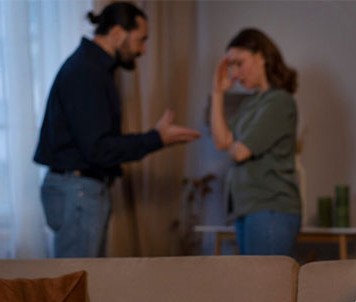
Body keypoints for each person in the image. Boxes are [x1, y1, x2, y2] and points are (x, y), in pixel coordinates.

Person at [34, 1, 201, 258]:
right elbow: (98, 149)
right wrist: (156, 139)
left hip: (78, 190)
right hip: (79, 191)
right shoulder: (88, 72)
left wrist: (156, 138)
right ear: (117, 33)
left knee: (82, 282)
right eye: (140, 40)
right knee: (75, 284)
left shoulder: (92, 69)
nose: (143, 50)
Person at [210, 28, 301, 256]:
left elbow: (240, 151)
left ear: (261, 56)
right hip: (247, 208)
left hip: (270, 209)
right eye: (231, 66)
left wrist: (237, 146)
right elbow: (222, 141)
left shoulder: (279, 101)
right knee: (254, 287)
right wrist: (217, 93)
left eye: (239, 63)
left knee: (266, 288)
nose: (235, 73)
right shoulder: (250, 104)